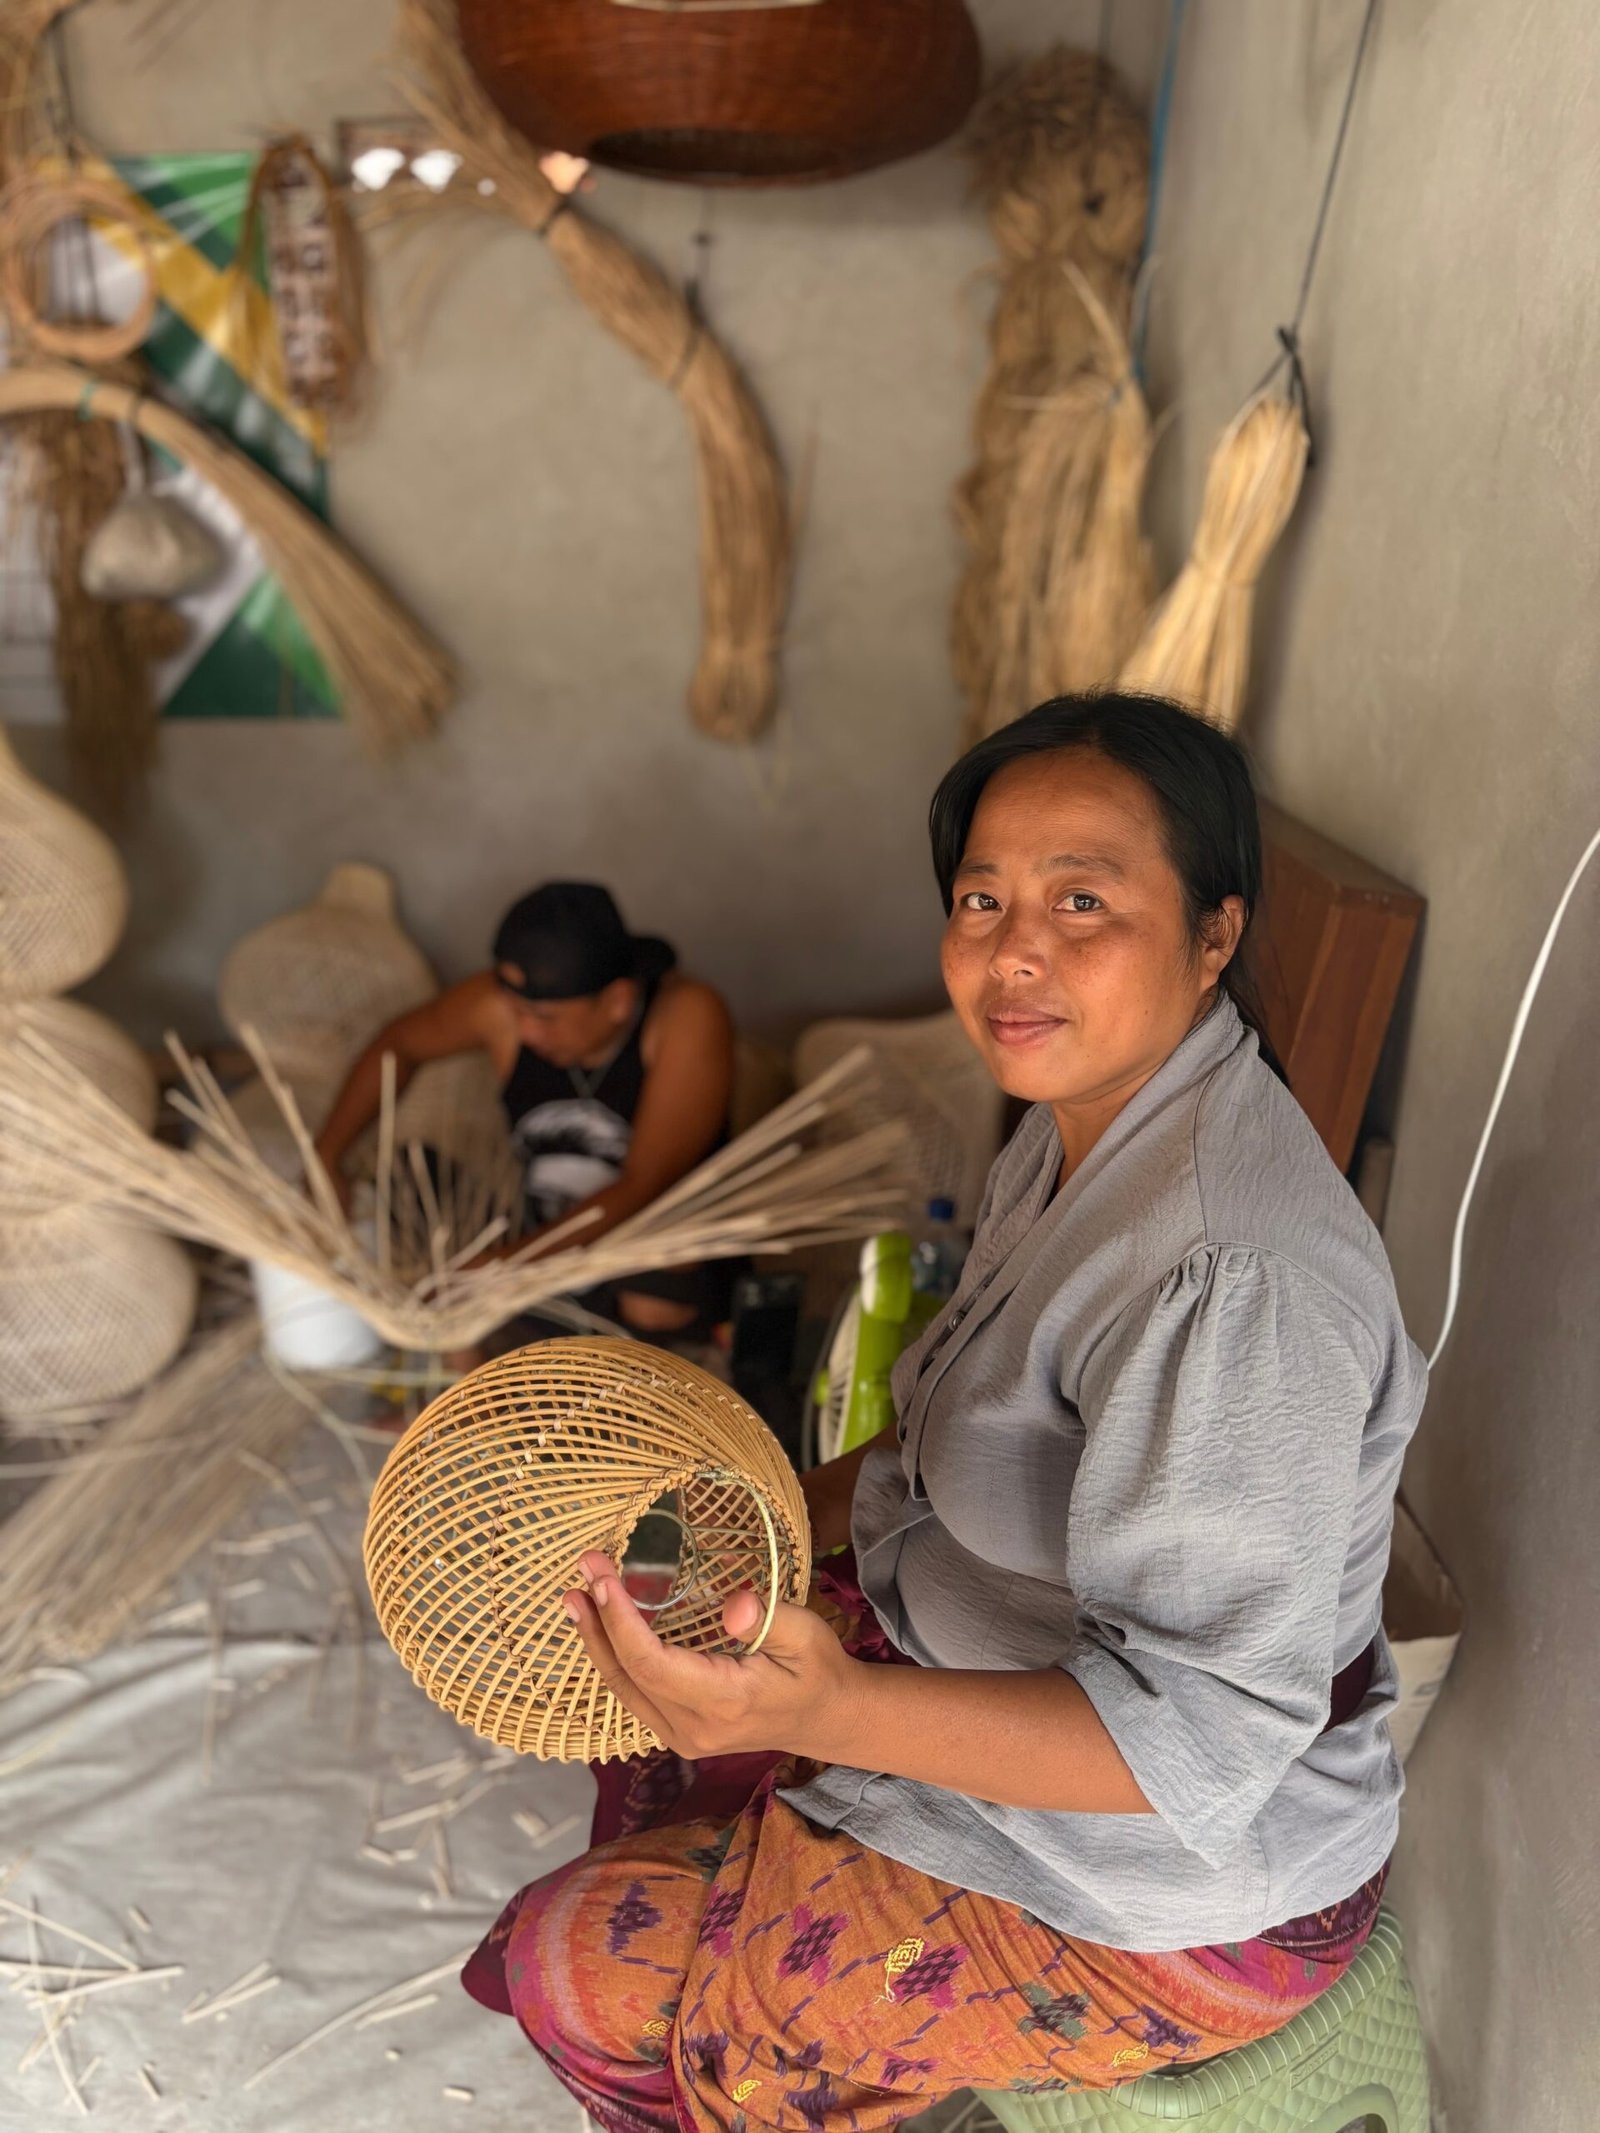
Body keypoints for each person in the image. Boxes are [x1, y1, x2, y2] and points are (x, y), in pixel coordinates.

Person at [461, 696, 1428, 2130]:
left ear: (1215, 933)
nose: (1011, 950)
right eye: (982, 899)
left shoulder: (1231, 1276)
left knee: (580, 1971)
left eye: (1081, 900)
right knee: (651, 1665)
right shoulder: (1078, 1126)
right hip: (977, 1651)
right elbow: (931, 1444)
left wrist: (836, 1706)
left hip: (1174, 1889)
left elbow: (1199, 1745)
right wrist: (750, 1527)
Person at [312, 881, 736, 1337]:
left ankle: (612, 1362)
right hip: (539, 1227)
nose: (528, 1033)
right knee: (404, 1184)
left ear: (618, 1000)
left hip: (642, 1235)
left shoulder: (684, 1018)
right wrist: (326, 1158)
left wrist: (506, 1267)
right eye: (517, 1010)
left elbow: (642, 1185)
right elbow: (397, 1046)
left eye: (546, 1017)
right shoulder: (502, 1009)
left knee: (654, 1299)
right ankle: (465, 1358)